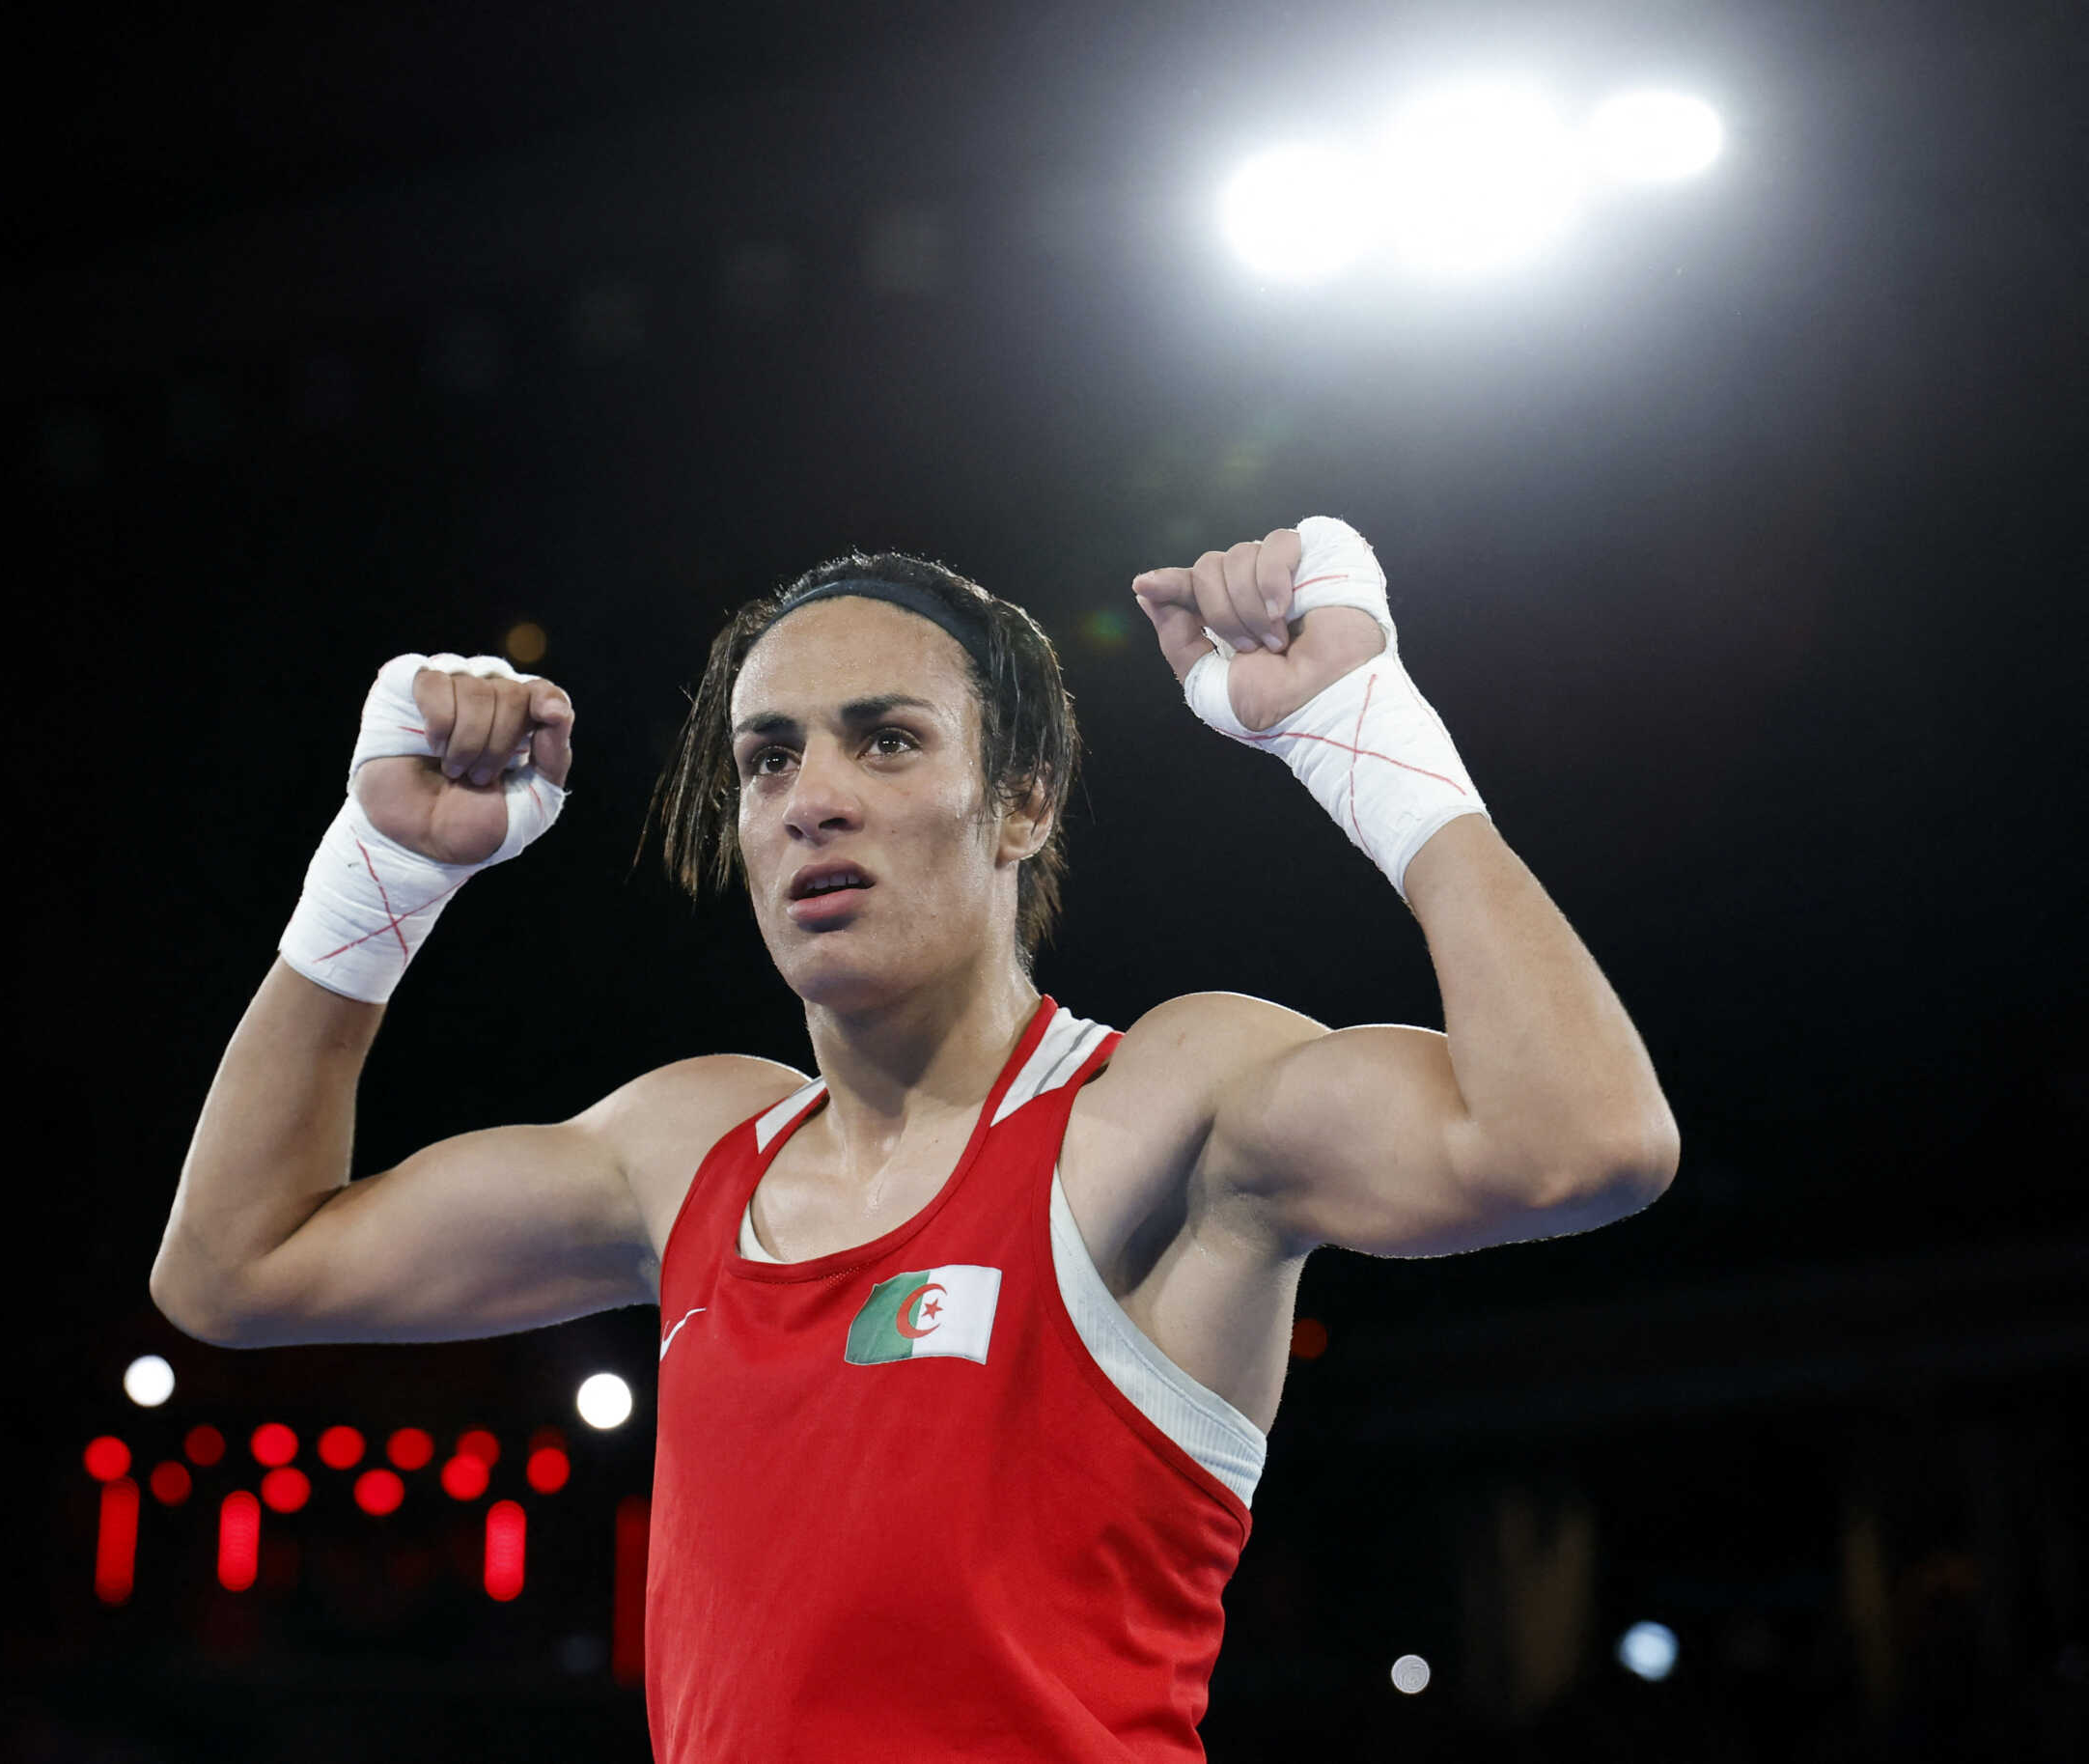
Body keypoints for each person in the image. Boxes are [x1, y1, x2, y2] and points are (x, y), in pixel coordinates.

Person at [153, 515, 1681, 1760]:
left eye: (884, 742)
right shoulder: (692, 1153)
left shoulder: (1157, 1109)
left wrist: (1366, 737)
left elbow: (1587, 1143)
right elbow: (230, 1269)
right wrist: (377, 881)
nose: (812, 798)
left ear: (1018, 804)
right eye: (769, 759)